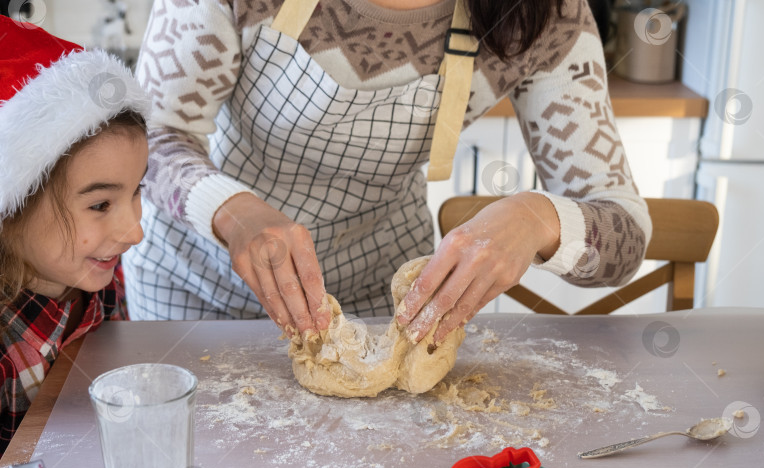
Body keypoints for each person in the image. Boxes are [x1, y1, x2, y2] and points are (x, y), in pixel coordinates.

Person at [128, 0, 652, 343]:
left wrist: (538, 218)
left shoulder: (545, 17)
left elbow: (624, 237)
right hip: (192, 289)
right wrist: (231, 211)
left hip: (374, 305)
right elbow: (150, 138)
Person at [0, 15, 150, 454]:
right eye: (100, 204)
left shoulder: (99, 269)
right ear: (13, 206)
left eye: (137, 191)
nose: (134, 231)